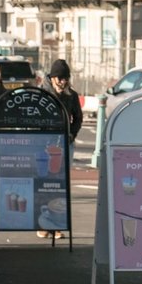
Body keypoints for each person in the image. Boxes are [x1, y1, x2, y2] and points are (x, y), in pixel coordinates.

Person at [38, 59, 83, 240]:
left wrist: (72, 134)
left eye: (66, 78)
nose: (63, 82)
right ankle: (43, 225)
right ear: (52, 77)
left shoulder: (71, 95)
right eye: (60, 78)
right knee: (45, 183)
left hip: (64, 144)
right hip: (46, 145)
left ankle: (57, 226)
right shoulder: (43, 93)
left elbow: (78, 118)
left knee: (60, 185)